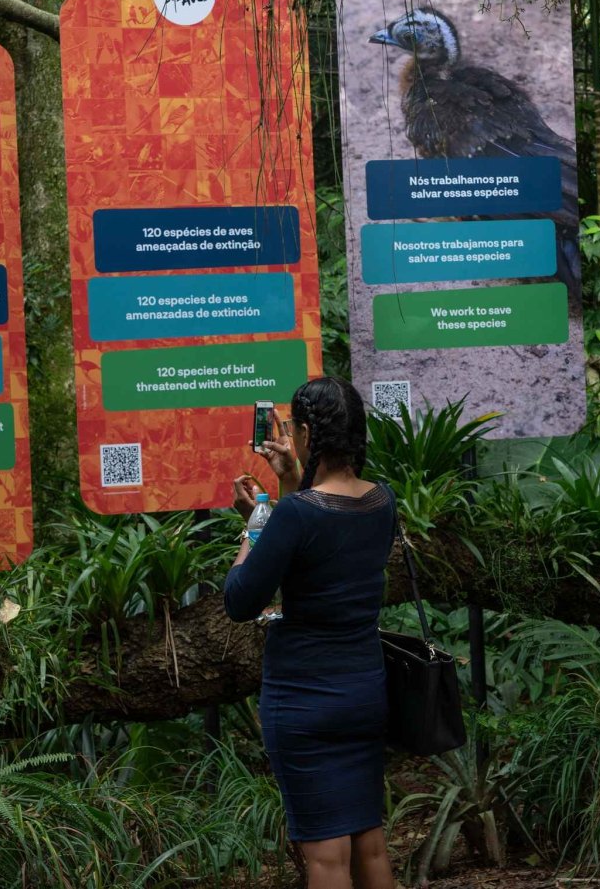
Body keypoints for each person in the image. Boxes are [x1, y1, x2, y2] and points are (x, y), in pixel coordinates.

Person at [224, 375, 398, 889]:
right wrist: (290, 479)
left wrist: (257, 518)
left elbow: (240, 599)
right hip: (364, 692)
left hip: (305, 701)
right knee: (369, 845)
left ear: (302, 431)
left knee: (325, 858)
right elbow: (321, 547)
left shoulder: (295, 514)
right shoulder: (381, 501)